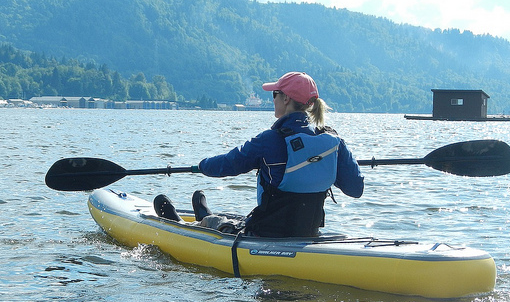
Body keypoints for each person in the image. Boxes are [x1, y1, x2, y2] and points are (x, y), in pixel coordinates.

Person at [154, 71, 364, 237]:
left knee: (221, 225)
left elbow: (228, 164)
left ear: (286, 99)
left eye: (275, 94)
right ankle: (204, 215)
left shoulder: (270, 140)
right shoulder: (334, 142)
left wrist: (202, 166)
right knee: (236, 220)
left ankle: (187, 222)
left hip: (266, 234)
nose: (272, 99)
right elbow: (356, 189)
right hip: (307, 232)